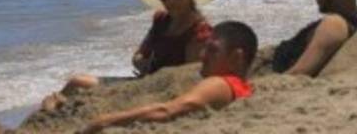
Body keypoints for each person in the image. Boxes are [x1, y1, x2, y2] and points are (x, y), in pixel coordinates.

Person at [42, 0, 214, 111]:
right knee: (74, 83)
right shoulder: (161, 20)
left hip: (159, 92)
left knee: (77, 83)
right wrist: (143, 63)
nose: (170, 1)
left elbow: (189, 77)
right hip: (144, 83)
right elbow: (138, 56)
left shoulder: (200, 31)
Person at [78, 21, 257, 133]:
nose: (203, 55)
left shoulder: (220, 83)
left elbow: (166, 111)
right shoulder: (241, 87)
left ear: (236, 58)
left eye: (212, 50)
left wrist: (103, 121)